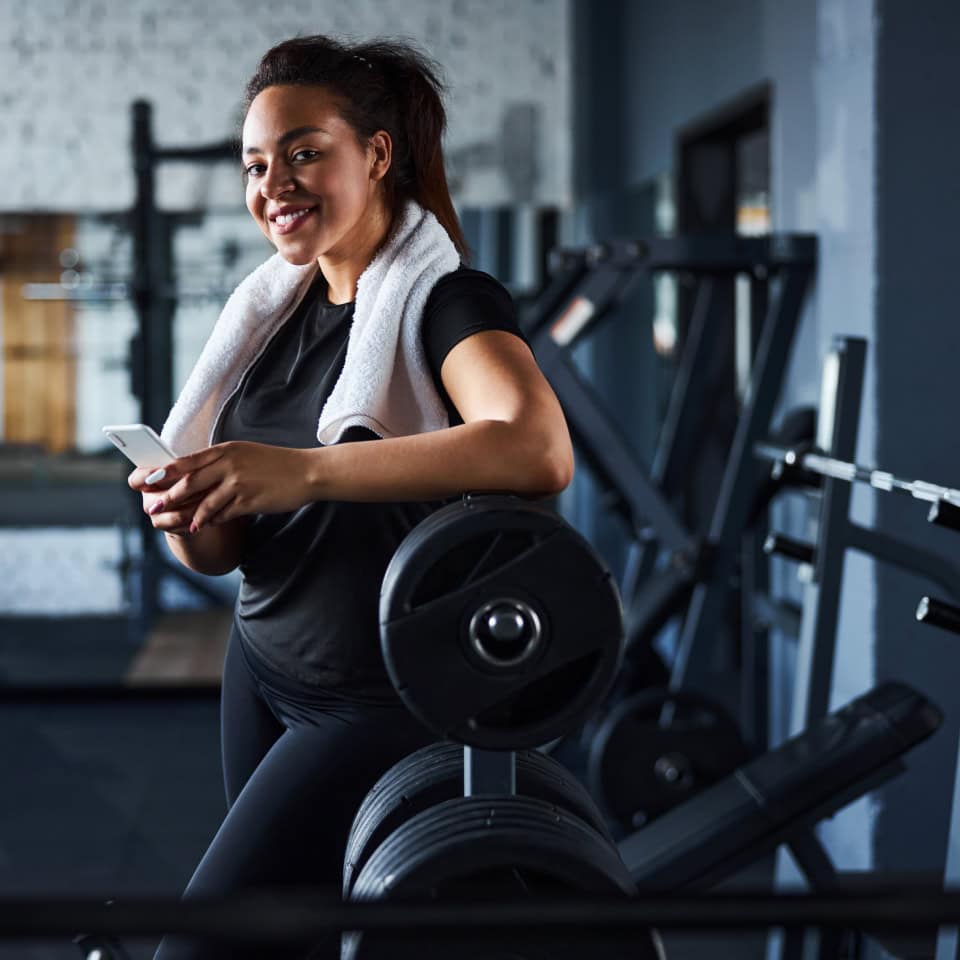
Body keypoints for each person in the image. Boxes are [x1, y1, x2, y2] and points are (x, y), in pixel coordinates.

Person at [128, 34, 573, 959]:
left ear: (374, 154)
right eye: (256, 163)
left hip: (378, 694)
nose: (273, 184)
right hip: (262, 667)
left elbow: (537, 448)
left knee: (200, 947)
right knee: (289, 943)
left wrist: (303, 470)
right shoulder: (270, 315)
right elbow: (230, 547)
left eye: (303, 152)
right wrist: (188, 516)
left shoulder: (446, 301)